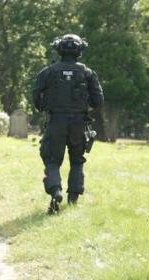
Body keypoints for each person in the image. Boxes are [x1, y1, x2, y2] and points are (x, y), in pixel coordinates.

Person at [32, 34, 104, 214]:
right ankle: (73, 200)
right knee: (77, 161)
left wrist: (44, 108)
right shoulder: (87, 73)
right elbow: (98, 100)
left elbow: (35, 95)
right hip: (79, 123)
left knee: (52, 159)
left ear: (59, 50)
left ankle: (55, 191)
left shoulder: (48, 72)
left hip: (56, 121)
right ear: (79, 51)